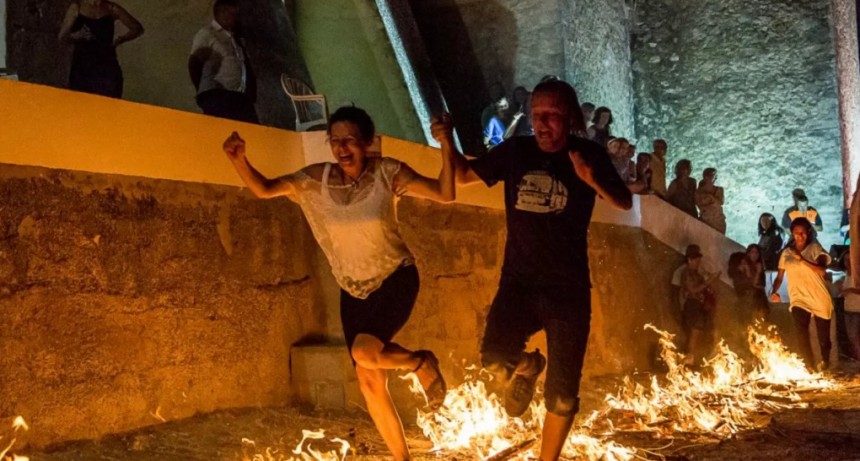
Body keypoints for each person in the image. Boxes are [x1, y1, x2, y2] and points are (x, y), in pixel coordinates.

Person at [224, 106, 455, 460]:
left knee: (364, 353)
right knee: (369, 381)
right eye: (335, 141)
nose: (342, 148)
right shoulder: (316, 180)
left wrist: (446, 143)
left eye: (350, 140)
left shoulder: (387, 173)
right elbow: (265, 189)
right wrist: (239, 160)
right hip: (353, 291)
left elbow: (445, 192)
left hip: (395, 278)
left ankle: (420, 363)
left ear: (366, 142)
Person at [444, 79, 632, 461]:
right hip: (519, 284)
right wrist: (446, 140)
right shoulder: (516, 151)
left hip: (568, 290)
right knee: (495, 359)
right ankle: (529, 367)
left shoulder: (588, 154)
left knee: (562, 396)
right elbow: (462, 176)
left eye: (552, 115)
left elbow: (625, 202)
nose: (542, 123)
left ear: (570, 118)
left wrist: (591, 178)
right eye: (536, 115)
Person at [770, 217, 833, 370]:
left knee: (823, 337)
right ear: (792, 234)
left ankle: (825, 362)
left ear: (808, 233)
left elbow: (822, 270)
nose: (800, 236)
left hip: (818, 296)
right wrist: (774, 291)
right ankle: (809, 365)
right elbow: (780, 276)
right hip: (798, 297)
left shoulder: (816, 249)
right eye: (797, 233)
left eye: (803, 233)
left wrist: (802, 259)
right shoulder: (787, 253)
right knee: (801, 331)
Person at [189, 0, 258, 124]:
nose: (236, 19)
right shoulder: (207, 33)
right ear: (222, 12)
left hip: (239, 95)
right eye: (233, 14)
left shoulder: (233, 37)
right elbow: (194, 62)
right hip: (218, 94)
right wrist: (204, 91)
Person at [58, 0, 143, 98]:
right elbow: (62, 37)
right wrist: (77, 35)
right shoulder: (77, 7)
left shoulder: (111, 8)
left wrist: (120, 39)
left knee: (109, 102)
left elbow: (137, 28)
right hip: (83, 67)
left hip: (107, 67)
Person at [680, 245, 720, 366]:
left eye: (699, 261)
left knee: (704, 330)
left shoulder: (697, 274)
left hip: (701, 305)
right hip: (692, 305)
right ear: (689, 260)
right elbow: (693, 290)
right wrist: (709, 281)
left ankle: (698, 358)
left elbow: (705, 288)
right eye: (696, 261)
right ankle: (689, 358)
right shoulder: (686, 273)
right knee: (695, 330)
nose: (698, 263)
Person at [695, 168, 726, 234]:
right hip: (705, 220)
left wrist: (711, 197)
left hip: (719, 221)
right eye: (714, 175)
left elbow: (721, 202)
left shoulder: (719, 189)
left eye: (716, 176)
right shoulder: (698, 192)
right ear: (706, 176)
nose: (716, 178)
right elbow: (699, 205)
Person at [841, 254, 860, 360]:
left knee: (855, 336)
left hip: (858, 309)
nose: (847, 262)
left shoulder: (857, 275)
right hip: (848, 309)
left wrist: (850, 290)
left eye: (849, 259)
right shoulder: (845, 275)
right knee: (852, 337)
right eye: (845, 260)